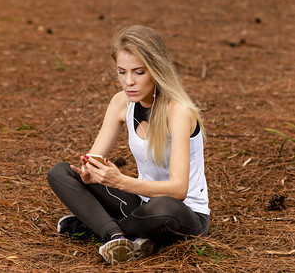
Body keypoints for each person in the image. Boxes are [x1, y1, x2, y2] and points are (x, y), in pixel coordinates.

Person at [47, 25, 210, 265]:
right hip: (141, 203)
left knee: (163, 205)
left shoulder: (179, 112)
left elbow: (178, 189)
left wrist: (120, 181)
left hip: (183, 213)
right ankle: (116, 237)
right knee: (60, 172)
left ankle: (94, 226)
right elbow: (93, 158)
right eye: (122, 72)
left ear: (156, 70)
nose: (128, 81)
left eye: (139, 72)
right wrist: (90, 171)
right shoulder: (121, 103)